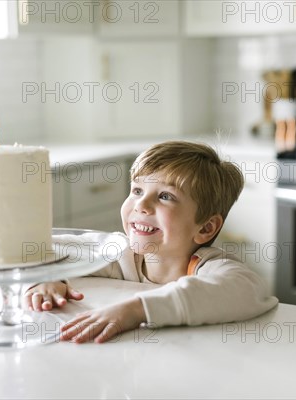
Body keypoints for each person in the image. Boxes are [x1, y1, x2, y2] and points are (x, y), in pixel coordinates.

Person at [22, 140, 278, 343]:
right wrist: (49, 278)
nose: (141, 205)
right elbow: (41, 246)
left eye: (165, 196)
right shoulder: (118, 253)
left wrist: (136, 310)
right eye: (137, 190)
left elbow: (247, 289)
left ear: (206, 227)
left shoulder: (209, 267)